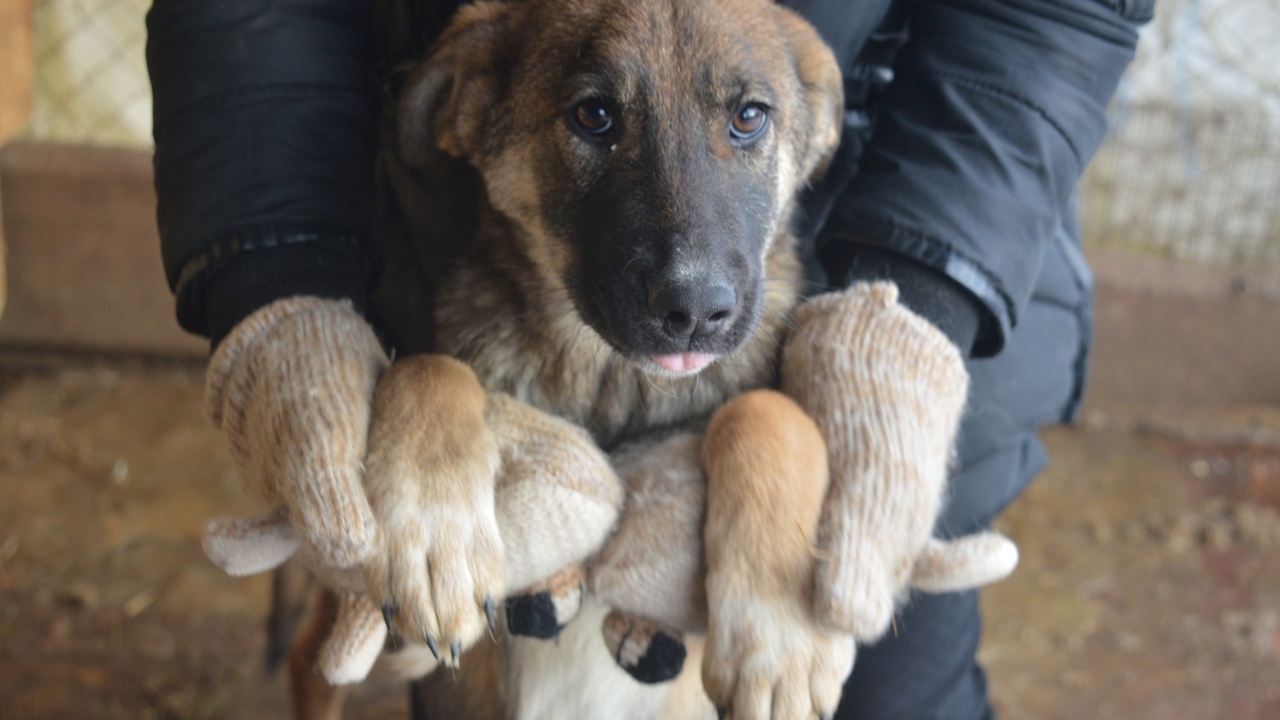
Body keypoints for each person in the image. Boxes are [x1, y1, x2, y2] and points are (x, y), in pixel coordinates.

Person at [145, 0, 1152, 717]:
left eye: (744, 119)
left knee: (899, 683)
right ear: (464, 115)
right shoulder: (484, 105)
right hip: (438, 245)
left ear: (804, 125)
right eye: (594, 118)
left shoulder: (796, 106)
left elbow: (1052, 19)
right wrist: (272, 280)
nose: (691, 280)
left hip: (893, 213)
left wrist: (917, 304)